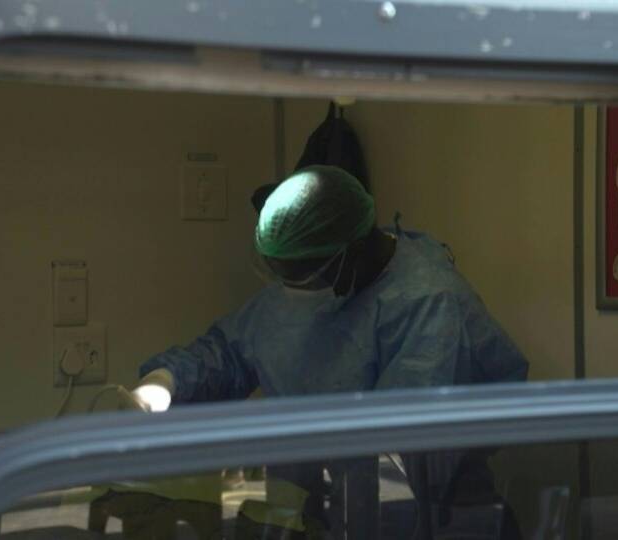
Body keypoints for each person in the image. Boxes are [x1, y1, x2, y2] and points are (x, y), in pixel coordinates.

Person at [130, 165, 529, 537]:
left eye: (300, 278)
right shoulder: (313, 276)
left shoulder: (430, 307)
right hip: (328, 514)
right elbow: (232, 350)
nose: (292, 294)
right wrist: (163, 383)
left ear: (349, 256)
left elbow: (394, 471)